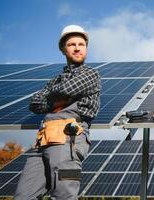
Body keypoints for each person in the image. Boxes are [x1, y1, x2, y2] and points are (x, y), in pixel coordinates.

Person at [15, 25, 101, 200]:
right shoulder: (55, 79)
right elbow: (35, 104)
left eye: (81, 44)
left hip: (68, 139)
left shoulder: (91, 74)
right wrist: (57, 98)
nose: (77, 48)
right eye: (71, 44)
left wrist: (51, 97)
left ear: (86, 47)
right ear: (63, 49)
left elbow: (67, 90)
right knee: (23, 196)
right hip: (42, 141)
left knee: (63, 195)